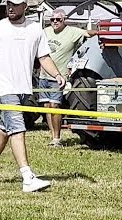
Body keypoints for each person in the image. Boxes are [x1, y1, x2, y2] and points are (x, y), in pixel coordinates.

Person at [0, 0, 65, 193]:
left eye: (15, 4)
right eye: (8, 4)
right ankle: (27, 177)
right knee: (18, 129)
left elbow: (44, 58)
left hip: (24, 89)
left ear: (25, 6)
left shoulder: (35, 29)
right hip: (5, 90)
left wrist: (57, 75)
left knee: (5, 131)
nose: (10, 8)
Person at [38, 9, 93, 146]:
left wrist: (102, 33)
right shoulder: (45, 32)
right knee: (46, 107)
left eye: (58, 19)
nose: (55, 22)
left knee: (54, 106)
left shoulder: (72, 32)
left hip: (59, 77)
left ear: (64, 20)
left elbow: (88, 33)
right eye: (52, 20)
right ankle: (53, 137)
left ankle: (57, 138)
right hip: (43, 75)